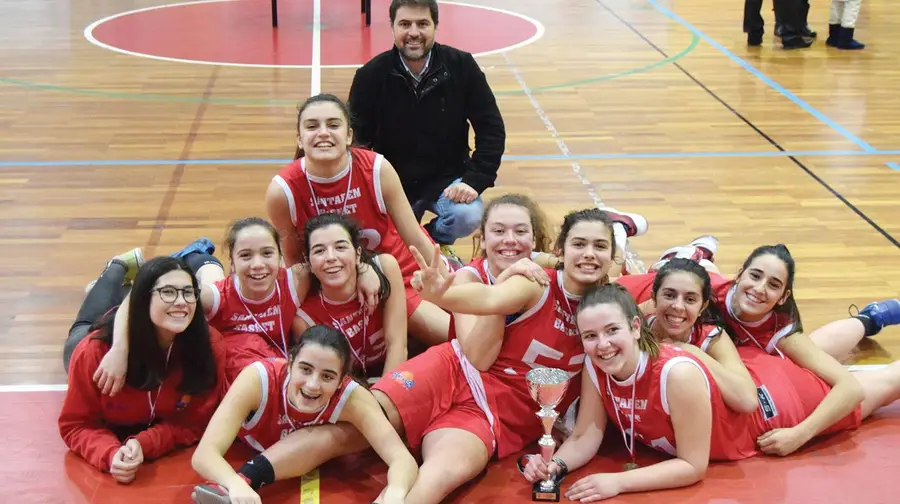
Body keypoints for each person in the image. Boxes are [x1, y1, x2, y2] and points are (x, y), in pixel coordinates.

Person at [520, 283, 900, 501]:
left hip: (779, 408)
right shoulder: (597, 363)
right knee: (807, 353)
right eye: (590, 336)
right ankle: (870, 319)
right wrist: (557, 465)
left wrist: (617, 483)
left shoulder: (676, 374)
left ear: (637, 327)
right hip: (753, 374)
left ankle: (871, 324)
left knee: (879, 387)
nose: (602, 344)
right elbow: (588, 433)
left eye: (612, 331)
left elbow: (692, 466)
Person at [366, 207, 616, 503]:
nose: (589, 253)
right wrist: (439, 295)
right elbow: (489, 301)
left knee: (437, 478)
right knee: (356, 428)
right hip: (454, 369)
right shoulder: (530, 281)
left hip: (492, 416)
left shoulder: (612, 305)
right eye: (579, 244)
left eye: (600, 246)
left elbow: (656, 299)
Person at [92, 219, 384, 392]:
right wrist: (119, 349)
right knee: (77, 341)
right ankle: (116, 270)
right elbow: (138, 301)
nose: (258, 265)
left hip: (270, 366)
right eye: (246, 256)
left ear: (281, 258)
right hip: (116, 317)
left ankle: (197, 255)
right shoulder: (215, 298)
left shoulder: (297, 279)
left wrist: (365, 269)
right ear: (233, 262)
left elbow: (335, 259)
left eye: (267, 253)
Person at [266, 93, 452, 347]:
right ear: (299, 138)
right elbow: (296, 263)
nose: (323, 133)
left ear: (349, 135)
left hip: (401, 270)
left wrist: (445, 284)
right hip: (340, 279)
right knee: (454, 338)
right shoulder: (282, 191)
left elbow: (414, 234)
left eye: (333, 125)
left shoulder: (377, 169)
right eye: (312, 126)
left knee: (468, 315)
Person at [190, 325, 417, 504]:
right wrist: (233, 483)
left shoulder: (353, 397)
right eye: (305, 369)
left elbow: (401, 458)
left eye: (327, 376)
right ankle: (243, 477)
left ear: (341, 382)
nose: (312, 385)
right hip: (235, 367)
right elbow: (204, 454)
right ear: (290, 364)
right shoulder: (257, 380)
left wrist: (395, 494)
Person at [347, 0, 506, 254]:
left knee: (467, 215)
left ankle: (431, 245)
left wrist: (475, 180)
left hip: (447, 178)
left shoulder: (462, 66)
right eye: (405, 24)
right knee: (375, 235)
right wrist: (368, 190)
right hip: (393, 181)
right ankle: (414, 244)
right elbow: (357, 143)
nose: (413, 33)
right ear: (392, 27)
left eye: (422, 24)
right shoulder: (370, 76)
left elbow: (491, 129)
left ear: (435, 26)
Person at [58, 256, 226, 483]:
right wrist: (109, 453)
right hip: (90, 335)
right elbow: (76, 425)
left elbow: (197, 421)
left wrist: (145, 443)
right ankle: (116, 267)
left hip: (138, 317)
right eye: (168, 292)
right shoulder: (93, 353)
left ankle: (194, 255)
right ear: (144, 299)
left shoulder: (209, 347)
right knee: (83, 324)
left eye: (188, 292)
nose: (181, 302)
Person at [618, 258, 759, 413]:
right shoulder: (636, 328)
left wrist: (689, 351)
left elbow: (747, 401)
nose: (678, 306)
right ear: (654, 298)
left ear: (702, 307)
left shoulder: (712, 338)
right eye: (669, 295)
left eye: (690, 299)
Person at [294, 213, 409, 379]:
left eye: (340, 247)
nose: (331, 257)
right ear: (309, 262)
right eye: (319, 251)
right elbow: (329, 380)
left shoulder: (386, 268)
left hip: (393, 371)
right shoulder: (304, 321)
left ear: (357, 253)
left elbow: (398, 345)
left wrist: (383, 397)